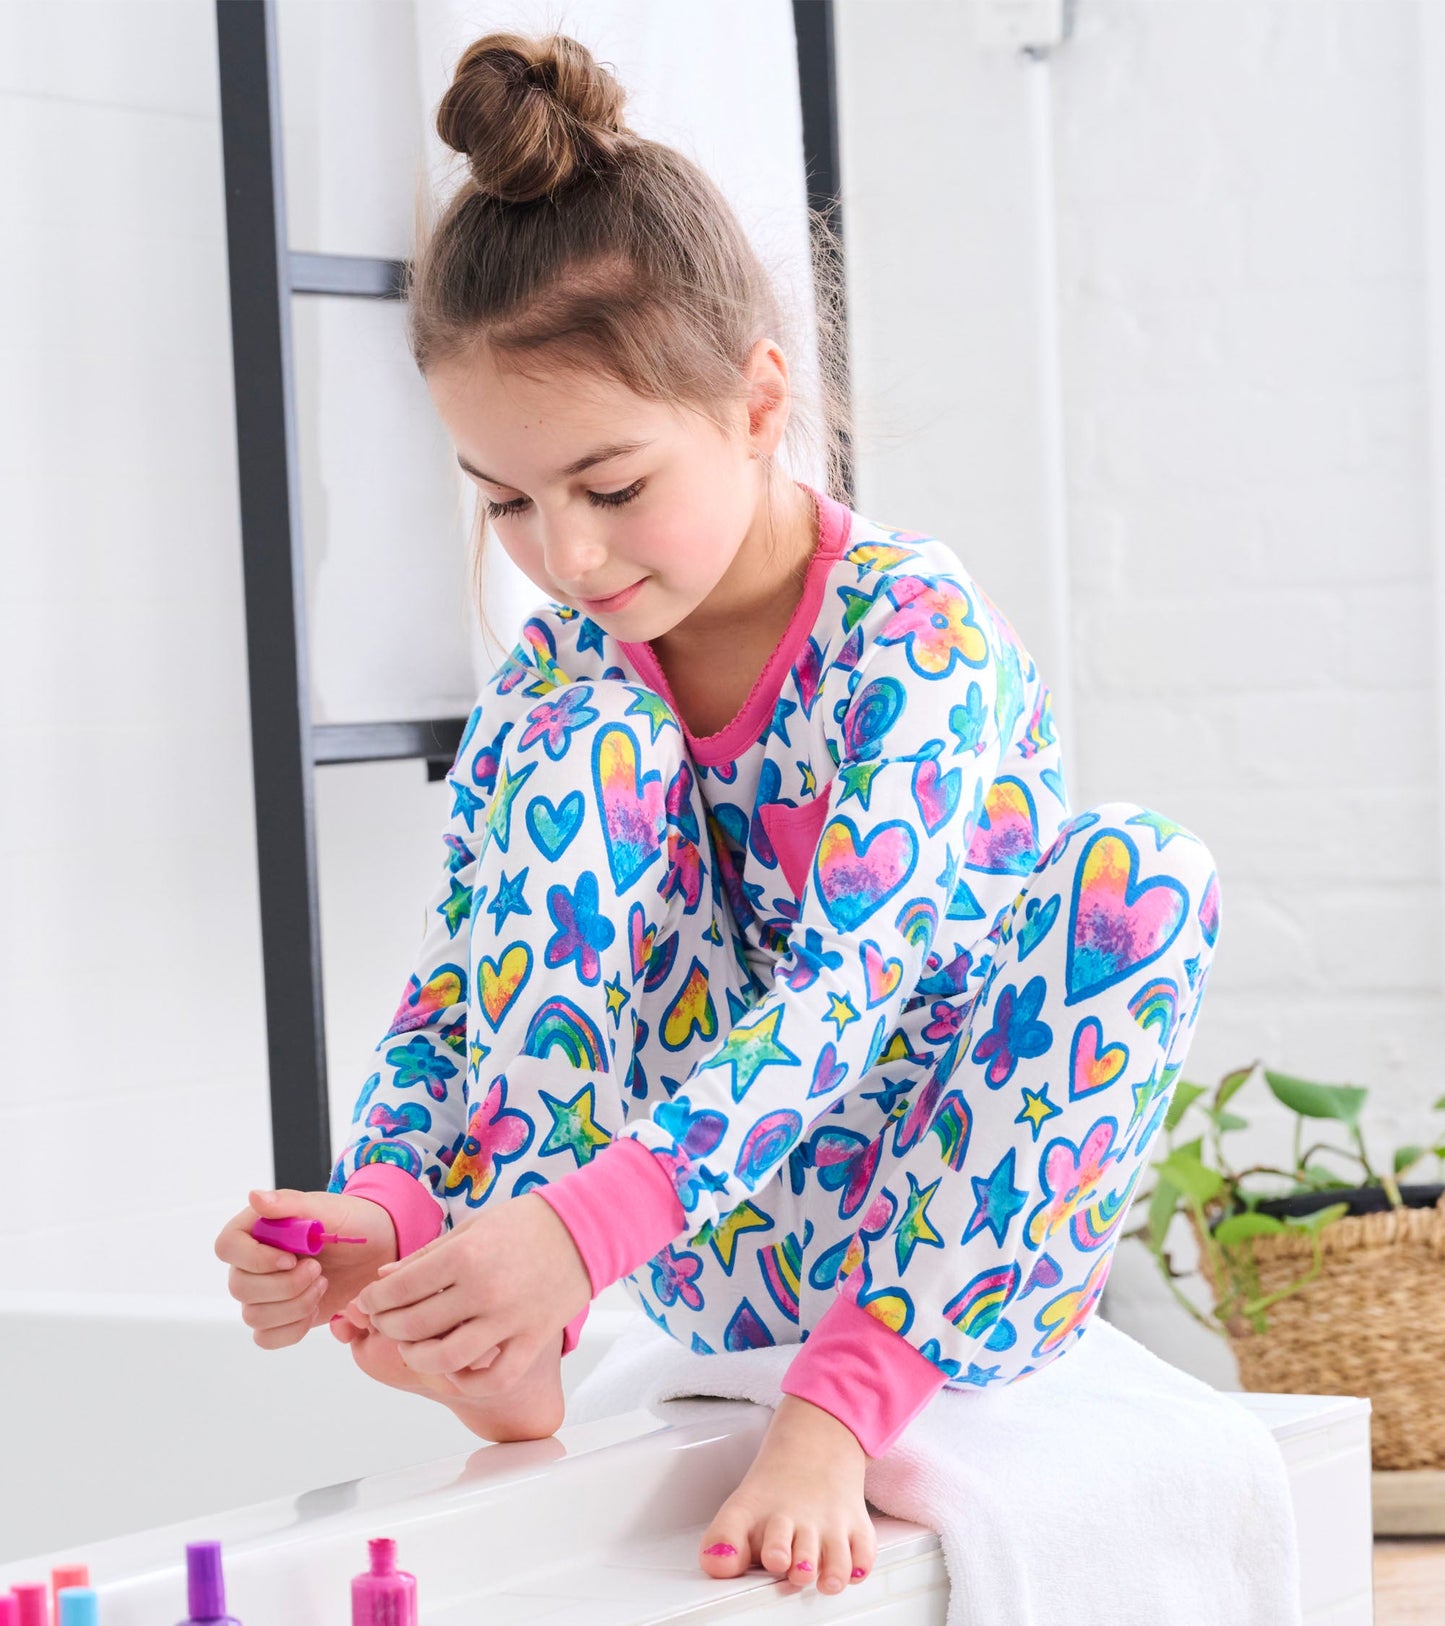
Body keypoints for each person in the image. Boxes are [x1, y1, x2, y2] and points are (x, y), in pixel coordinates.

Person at [214, 28, 1222, 1602]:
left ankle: (842, 1405)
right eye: (505, 498)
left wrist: (588, 1225)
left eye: (609, 486)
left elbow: (853, 993)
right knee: (568, 737)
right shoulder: (570, 678)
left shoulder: (913, 637)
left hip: (939, 1212)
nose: (562, 550)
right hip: (688, 1245)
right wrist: (393, 1199)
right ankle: (504, 1333)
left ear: (758, 402)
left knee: (1143, 876)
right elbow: (453, 976)